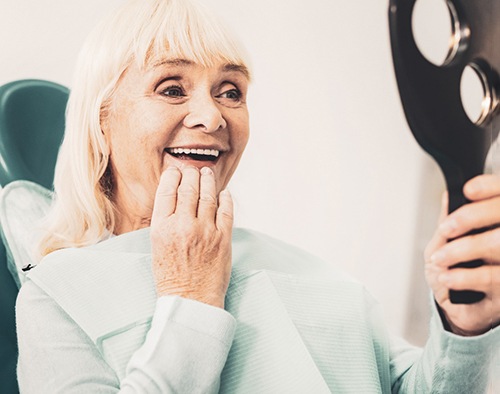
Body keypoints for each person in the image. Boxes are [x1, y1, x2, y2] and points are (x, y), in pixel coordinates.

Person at [15, 0, 500, 392]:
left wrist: (463, 329)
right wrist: (192, 298)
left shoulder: (305, 268)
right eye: (171, 88)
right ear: (101, 118)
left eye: (230, 91)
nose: (211, 116)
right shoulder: (56, 294)